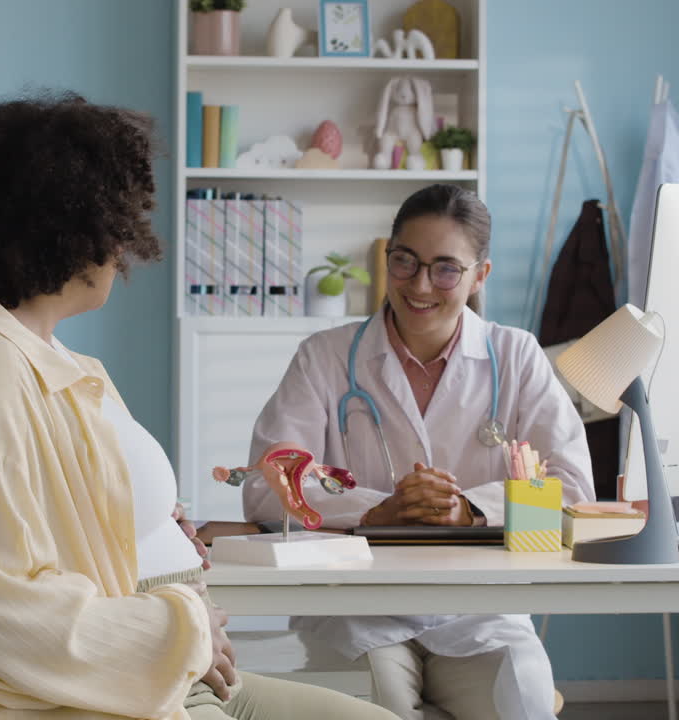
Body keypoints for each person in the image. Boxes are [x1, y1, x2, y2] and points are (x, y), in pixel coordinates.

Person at [0, 91, 399, 720]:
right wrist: (184, 627)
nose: (124, 246)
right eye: (117, 222)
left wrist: (153, 529)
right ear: (63, 230)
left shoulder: (41, 358)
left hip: (160, 677)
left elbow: (64, 516)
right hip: (102, 695)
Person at [244, 184, 595, 720]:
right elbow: (265, 486)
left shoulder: (516, 356)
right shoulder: (325, 357)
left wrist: (469, 509)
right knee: (375, 706)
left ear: (480, 275)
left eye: (446, 268)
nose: (421, 284)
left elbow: (573, 490)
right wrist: (375, 511)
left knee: (521, 703)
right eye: (405, 260)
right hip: (353, 607)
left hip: (481, 608)